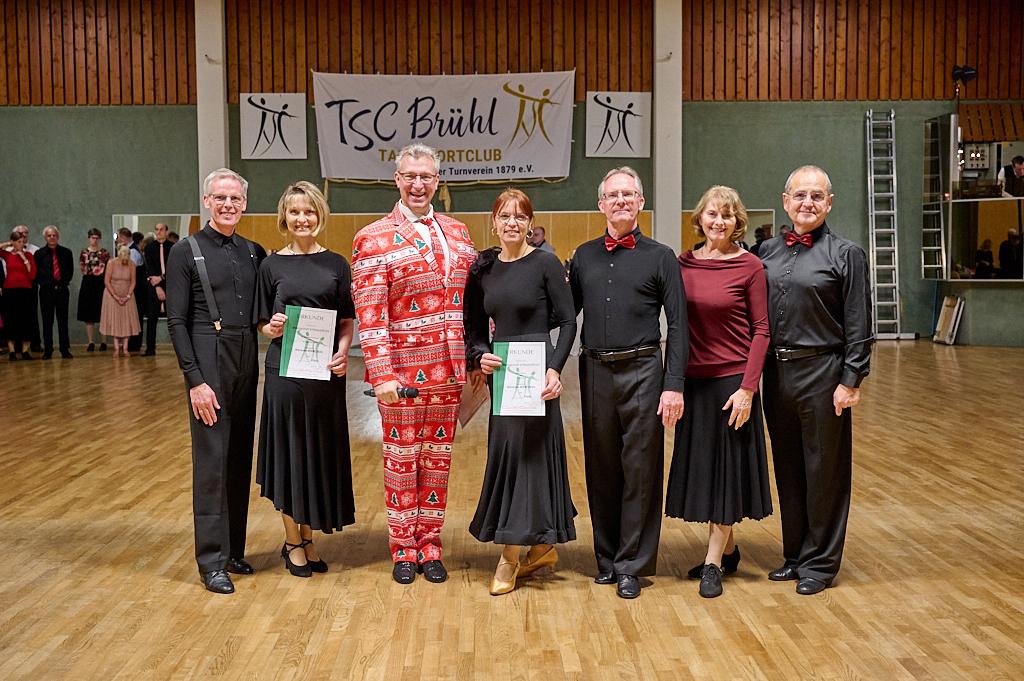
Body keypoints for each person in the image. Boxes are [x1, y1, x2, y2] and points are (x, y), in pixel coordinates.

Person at [351, 143, 477, 585]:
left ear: (438, 181)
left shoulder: (460, 234)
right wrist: (380, 373)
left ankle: (431, 544)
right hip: (401, 375)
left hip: (449, 370)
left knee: (438, 461)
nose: (419, 184)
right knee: (402, 461)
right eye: (411, 176)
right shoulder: (373, 236)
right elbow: (370, 311)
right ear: (397, 180)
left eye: (427, 176)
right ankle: (404, 547)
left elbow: (473, 304)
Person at [569, 166, 688, 599]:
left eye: (629, 194)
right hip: (595, 370)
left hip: (644, 371)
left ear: (640, 202)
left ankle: (632, 565)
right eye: (612, 195)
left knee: (640, 468)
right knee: (601, 465)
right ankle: (606, 559)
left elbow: (678, 324)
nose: (620, 200)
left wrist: (673, 384)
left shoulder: (661, 257)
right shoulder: (582, 256)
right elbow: (566, 317)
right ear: (600, 204)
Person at [758, 165, 872, 596]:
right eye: (800, 195)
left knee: (824, 470)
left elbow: (860, 322)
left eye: (816, 196)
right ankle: (795, 554)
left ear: (829, 203)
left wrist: (851, 378)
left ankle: (821, 564)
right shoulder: (765, 251)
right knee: (788, 469)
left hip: (824, 374)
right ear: (786, 201)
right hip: (776, 374)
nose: (808, 203)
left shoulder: (847, 254)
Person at [464, 189, 577, 596]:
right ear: (493, 221)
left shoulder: (545, 263)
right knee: (509, 456)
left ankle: (510, 557)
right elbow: (473, 328)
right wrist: (480, 356)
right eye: (504, 216)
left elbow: (568, 322)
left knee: (530, 457)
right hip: (503, 375)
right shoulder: (483, 269)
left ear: (530, 223)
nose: (512, 223)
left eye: (520, 216)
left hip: (537, 373)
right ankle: (541, 544)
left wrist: (554, 368)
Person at [664, 186, 772, 599]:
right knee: (706, 468)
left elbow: (762, 330)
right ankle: (728, 549)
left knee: (725, 471)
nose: (719, 222)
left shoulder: (750, 266)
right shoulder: (683, 264)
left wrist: (748, 388)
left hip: (732, 383)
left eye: (727, 215)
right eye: (712, 214)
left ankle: (712, 563)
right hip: (694, 382)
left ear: (737, 221)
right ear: (700, 219)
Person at [166, 168, 266, 594]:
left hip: (247, 355)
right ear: (207, 201)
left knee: (240, 453)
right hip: (208, 354)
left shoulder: (254, 251)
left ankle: (232, 550)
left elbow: (266, 313)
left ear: (244, 204)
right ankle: (210, 561)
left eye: (235, 199)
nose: (228, 205)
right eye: (220, 198)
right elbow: (175, 321)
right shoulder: (186, 251)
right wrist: (195, 380)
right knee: (211, 460)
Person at [256, 181, 356, 578]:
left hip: (324, 377)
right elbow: (263, 324)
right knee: (290, 454)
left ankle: (308, 536)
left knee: (316, 455)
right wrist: (273, 328)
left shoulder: (336, 264)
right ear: (285, 217)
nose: (302, 218)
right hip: (284, 374)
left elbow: (346, 320)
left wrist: (343, 351)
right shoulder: (270, 265)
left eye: (309, 211)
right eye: (295, 212)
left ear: (320, 216)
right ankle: (293, 540)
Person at [34, 225, 75, 359]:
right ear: (45, 237)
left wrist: (62, 282)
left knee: (63, 321)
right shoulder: (39, 254)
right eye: (49, 235)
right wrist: (46, 282)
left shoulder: (66, 252)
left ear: (58, 236)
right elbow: (37, 273)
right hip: (46, 291)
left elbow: (70, 271)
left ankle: (64, 349)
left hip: (62, 290)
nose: (52, 238)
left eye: (54, 235)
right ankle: (48, 350)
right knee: (47, 321)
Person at [0, 230, 38, 360]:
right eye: (18, 241)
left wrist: (24, 259)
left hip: (25, 290)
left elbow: (32, 274)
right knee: (10, 319)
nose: (22, 244)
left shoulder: (29, 255)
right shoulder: (7, 255)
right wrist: (8, 243)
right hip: (9, 290)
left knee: (26, 320)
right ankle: (11, 351)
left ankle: (25, 350)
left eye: (23, 242)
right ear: (14, 242)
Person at [100, 245, 141, 357]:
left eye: (127, 255)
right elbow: (107, 281)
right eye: (123, 255)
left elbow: (133, 282)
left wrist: (128, 295)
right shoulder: (111, 263)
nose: (125, 258)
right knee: (115, 320)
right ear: (119, 254)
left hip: (127, 294)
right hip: (112, 295)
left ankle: (126, 347)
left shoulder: (132, 264)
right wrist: (115, 296)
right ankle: (116, 348)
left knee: (127, 321)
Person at [7, 225, 41, 352]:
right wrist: (10, 243)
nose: (23, 235)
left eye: (25, 233)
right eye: (20, 233)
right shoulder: (8, 251)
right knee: (13, 316)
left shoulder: (34, 250)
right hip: (10, 286)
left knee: (30, 316)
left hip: (29, 286)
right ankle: (15, 346)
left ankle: (34, 343)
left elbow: (34, 272)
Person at [77, 228, 110, 352]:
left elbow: (107, 269)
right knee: (88, 315)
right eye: (92, 237)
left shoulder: (104, 253)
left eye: (96, 238)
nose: (94, 240)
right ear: (89, 238)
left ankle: (104, 341)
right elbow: (82, 268)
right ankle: (90, 342)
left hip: (101, 283)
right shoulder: (84, 252)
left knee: (102, 313)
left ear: (99, 239)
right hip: (88, 282)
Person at [143, 223, 172, 356]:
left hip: (171, 286)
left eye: (162, 229)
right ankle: (150, 349)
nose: (159, 232)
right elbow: (148, 267)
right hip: (154, 286)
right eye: (157, 229)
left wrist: (161, 278)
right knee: (152, 318)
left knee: (176, 319)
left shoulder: (173, 247)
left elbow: (174, 267)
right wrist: (158, 286)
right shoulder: (149, 248)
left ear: (166, 231)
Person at [120, 228, 147, 353]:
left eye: (120, 238)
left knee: (136, 315)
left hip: (137, 290)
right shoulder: (133, 250)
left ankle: (135, 343)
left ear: (124, 237)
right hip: (137, 289)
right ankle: (133, 342)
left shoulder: (133, 253)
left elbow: (130, 271)